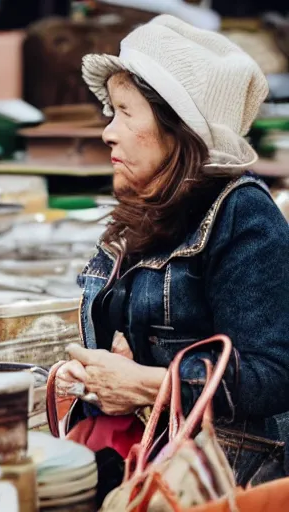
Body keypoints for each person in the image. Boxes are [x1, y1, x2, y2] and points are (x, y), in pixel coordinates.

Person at [55, 14, 289, 487]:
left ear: (176, 126)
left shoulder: (242, 215)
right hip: (151, 461)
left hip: (223, 479)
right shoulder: (145, 210)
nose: (108, 132)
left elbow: (273, 376)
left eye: (125, 111)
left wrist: (143, 383)